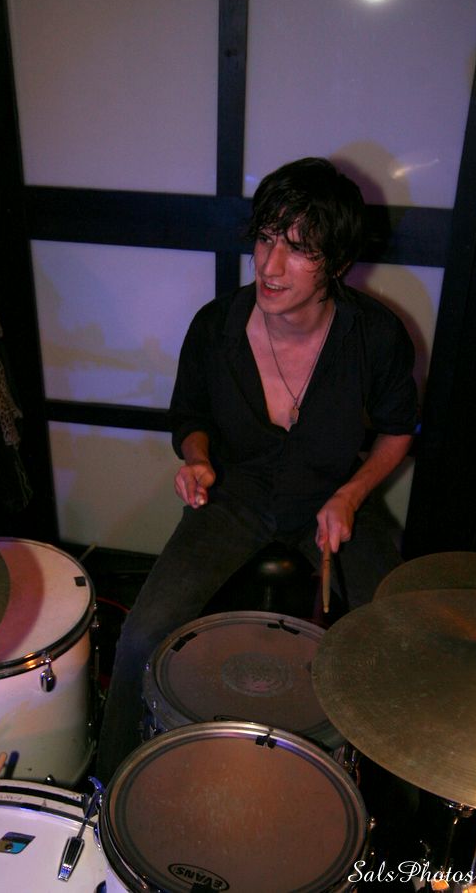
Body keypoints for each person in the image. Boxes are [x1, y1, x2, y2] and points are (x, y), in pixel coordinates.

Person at [96, 157, 418, 784]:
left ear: (337, 262)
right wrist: (196, 459)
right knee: (141, 636)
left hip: (331, 496)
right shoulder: (215, 326)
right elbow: (190, 414)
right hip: (235, 495)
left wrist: (353, 495)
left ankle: (384, 799)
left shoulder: (375, 335)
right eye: (267, 239)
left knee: (391, 636)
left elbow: (397, 429)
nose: (270, 266)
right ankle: (112, 786)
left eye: (299, 249)